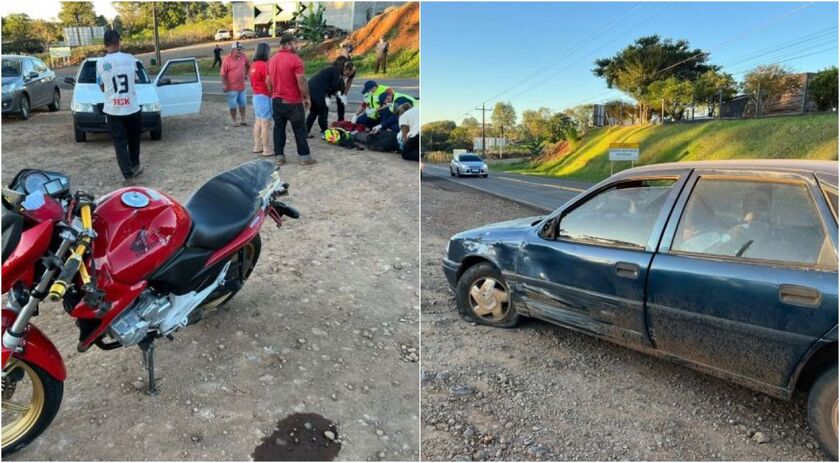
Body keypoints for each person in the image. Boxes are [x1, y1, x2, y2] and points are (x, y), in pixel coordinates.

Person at [96, 30, 143, 183]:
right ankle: (135, 165)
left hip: (112, 109)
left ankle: (127, 175)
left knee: (120, 143)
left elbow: (101, 87)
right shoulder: (130, 59)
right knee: (134, 139)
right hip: (131, 107)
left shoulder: (100, 63)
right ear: (118, 42)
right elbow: (135, 80)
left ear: (105, 44)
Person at [266, 34, 316, 166]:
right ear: (288, 44)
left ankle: (279, 157)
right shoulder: (295, 60)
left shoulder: (272, 59)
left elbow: (268, 81)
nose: (297, 46)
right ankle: (304, 157)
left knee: (278, 129)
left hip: (277, 100)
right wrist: (307, 97)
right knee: (300, 130)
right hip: (293, 102)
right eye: (295, 43)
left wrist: (273, 94)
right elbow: (301, 80)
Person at [305, 59, 349, 137]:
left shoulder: (330, 69)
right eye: (345, 66)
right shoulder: (336, 71)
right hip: (318, 92)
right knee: (323, 111)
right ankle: (325, 132)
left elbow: (329, 86)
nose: (345, 69)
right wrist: (338, 94)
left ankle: (305, 132)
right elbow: (333, 85)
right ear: (342, 65)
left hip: (310, 89)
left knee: (314, 112)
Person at [250, 42, 273, 156]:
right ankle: (266, 149)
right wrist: (271, 92)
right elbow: (268, 81)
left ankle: (257, 146)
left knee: (258, 122)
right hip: (264, 96)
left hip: (256, 95)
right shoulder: (265, 65)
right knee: (265, 124)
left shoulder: (253, 65)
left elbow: (251, 82)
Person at [221, 41, 250, 126]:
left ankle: (243, 120)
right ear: (233, 50)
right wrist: (224, 85)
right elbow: (223, 74)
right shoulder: (227, 59)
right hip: (231, 88)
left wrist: (246, 74)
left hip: (242, 87)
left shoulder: (243, 56)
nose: (240, 51)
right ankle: (234, 121)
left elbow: (248, 65)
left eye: (241, 49)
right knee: (233, 105)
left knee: (243, 104)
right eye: (238, 50)